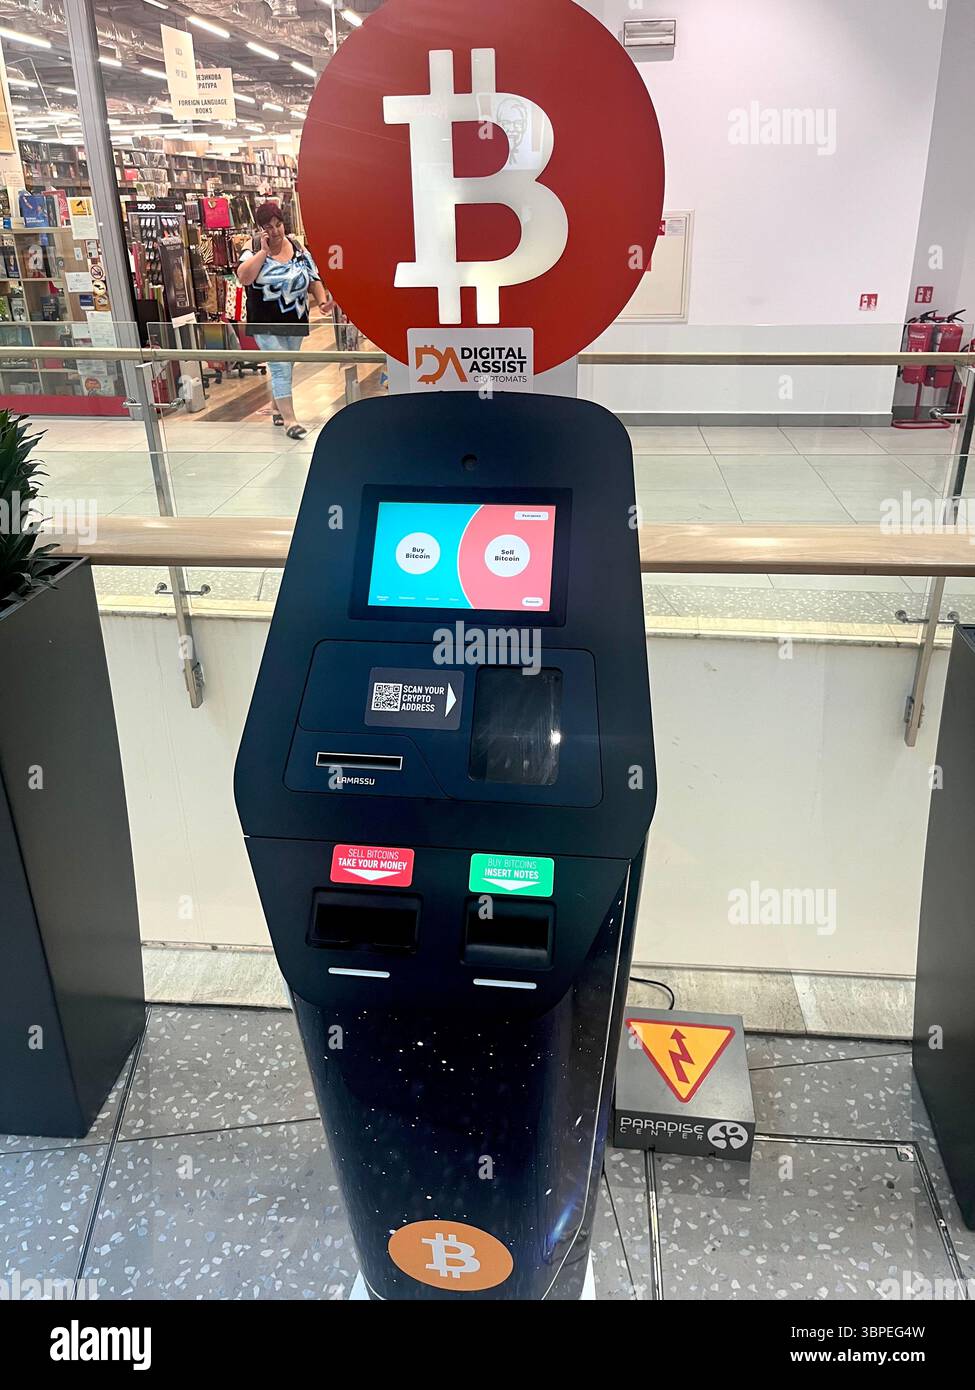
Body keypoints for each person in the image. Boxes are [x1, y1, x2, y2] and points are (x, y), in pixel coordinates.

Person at [236, 201, 330, 439]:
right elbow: (244, 278)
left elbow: (313, 277)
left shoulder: (297, 247)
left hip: (295, 319)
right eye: (269, 226)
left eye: (278, 225)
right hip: (265, 321)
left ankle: (277, 409)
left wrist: (321, 301)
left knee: (286, 365)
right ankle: (290, 420)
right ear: (260, 228)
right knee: (279, 367)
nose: (275, 231)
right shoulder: (252, 247)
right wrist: (263, 253)